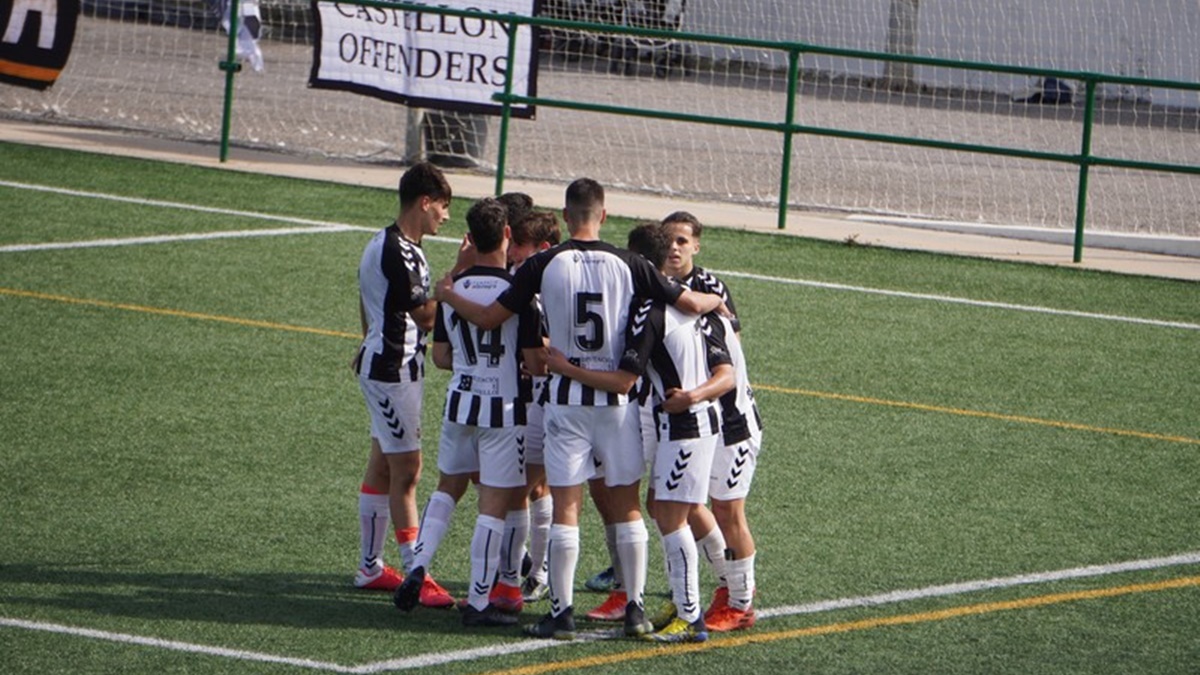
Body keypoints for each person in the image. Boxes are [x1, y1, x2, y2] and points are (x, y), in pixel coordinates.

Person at [434, 178, 727, 640]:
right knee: (628, 506)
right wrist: (719, 301)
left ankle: (562, 612)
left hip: (565, 402)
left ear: (567, 216)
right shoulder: (629, 262)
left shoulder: (545, 263)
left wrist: (449, 293)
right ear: (603, 215)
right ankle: (635, 607)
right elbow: (688, 300)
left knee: (566, 507)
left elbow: (490, 318)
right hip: (618, 405)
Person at [544, 222, 736, 643]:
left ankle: (693, 615)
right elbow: (726, 365)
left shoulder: (651, 313)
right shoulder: (695, 305)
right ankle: (686, 604)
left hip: (686, 425)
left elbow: (622, 381)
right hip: (689, 422)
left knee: (670, 515)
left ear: (635, 265)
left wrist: (565, 367)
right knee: (662, 508)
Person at [394, 198, 545, 626]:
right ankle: (479, 602)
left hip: (460, 401)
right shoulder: (519, 295)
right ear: (508, 236)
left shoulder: (451, 290)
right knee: (493, 507)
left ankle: (418, 565)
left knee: (446, 488)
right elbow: (534, 365)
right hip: (503, 408)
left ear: (470, 237)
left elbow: (440, 356)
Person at [351, 162, 454, 608]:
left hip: (390, 365)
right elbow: (427, 316)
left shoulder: (390, 242)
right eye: (443, 207)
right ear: (424, 202)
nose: (445, 217)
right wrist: (456, 283)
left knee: (383, 466)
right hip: (392, 372)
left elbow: (365, 300)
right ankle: (417, 571)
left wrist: (369, 338)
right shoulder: (401, 252)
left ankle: (370, 567)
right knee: (408, 470)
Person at [660, 211, 762, 632]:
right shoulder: (662, 288)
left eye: (683, 240)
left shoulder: (708, 292)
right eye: (669, 240)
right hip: (701, 422)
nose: (675, 247)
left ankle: (741, 602)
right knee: (689, 503)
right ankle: (726, 584)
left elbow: (729, 353)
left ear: (696, 245)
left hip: (732, 421)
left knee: (727, 510)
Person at [505, 209, 563, 604]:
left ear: (542, 249)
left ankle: (520, 573)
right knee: (533, 487)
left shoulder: (551, 290)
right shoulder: (523, 280)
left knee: (516, 489)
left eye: (519, 250)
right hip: (521, 398)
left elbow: (553, 349)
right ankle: (531, 571)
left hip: (542, 401)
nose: (512, 255)